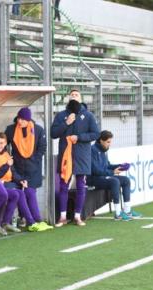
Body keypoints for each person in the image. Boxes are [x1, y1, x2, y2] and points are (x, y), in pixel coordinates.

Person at [51, 89, 100, 227]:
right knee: (63, 186)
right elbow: (53, 133)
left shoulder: (88, 115)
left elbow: (95, 134)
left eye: (76, 95)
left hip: (81, 156)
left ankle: (78, 216)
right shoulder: (61, 115)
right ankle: (62, 217)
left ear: (81, 98)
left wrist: (79, 138)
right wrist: (66, 123)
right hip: (65, 156)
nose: (74, 96)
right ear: (68, 98)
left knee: (80, 186)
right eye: (71, 95)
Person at [0, 133, 53, 234]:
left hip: (9, 183)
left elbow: (13, 171)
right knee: (18, 193)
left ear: (6, 143)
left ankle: (34, 220)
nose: (0, 145)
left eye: (2, 143)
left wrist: (20, 180)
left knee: (28, 190)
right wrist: (6, 165)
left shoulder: (6, 154)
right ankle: (30, 222)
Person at [5, 107, 47, 226]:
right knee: (20, 192)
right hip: (17, 167)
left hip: (33, 168)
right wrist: (8, 158)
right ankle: (24, 218)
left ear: (28, 120)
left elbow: (42, 147)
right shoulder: (11, 129)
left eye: (23, 119)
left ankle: (35, 219)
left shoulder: (38, 130)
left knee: (30, 192)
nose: (20, 121)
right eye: (19, 118)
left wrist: (34, 160)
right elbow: (3, 145)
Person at [88, 130, 142, 221]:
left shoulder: (103, 150)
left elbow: (107, 166)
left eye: (110, 142)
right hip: (93, 179)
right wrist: (112, 172)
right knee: (114, 181)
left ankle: (127, 210)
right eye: (108, 142)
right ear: (101, 140)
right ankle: (118, 213)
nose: (110, 144)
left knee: (126, 180)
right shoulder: (92, 150)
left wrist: (120, 166)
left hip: (103, 177)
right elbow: (95, 170)